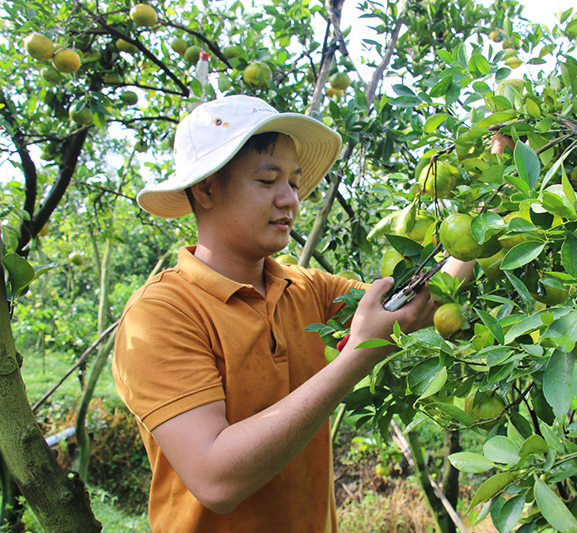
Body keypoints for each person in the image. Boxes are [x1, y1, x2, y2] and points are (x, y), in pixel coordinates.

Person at [112, 95, 471, 532]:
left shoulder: (308, 288)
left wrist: (491, 211)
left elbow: (419, 304)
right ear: (206, 189)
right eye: (267, 181)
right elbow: (215, 478)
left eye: (295, 184)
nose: (289, 200)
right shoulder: (160, 314)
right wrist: (358, 355)